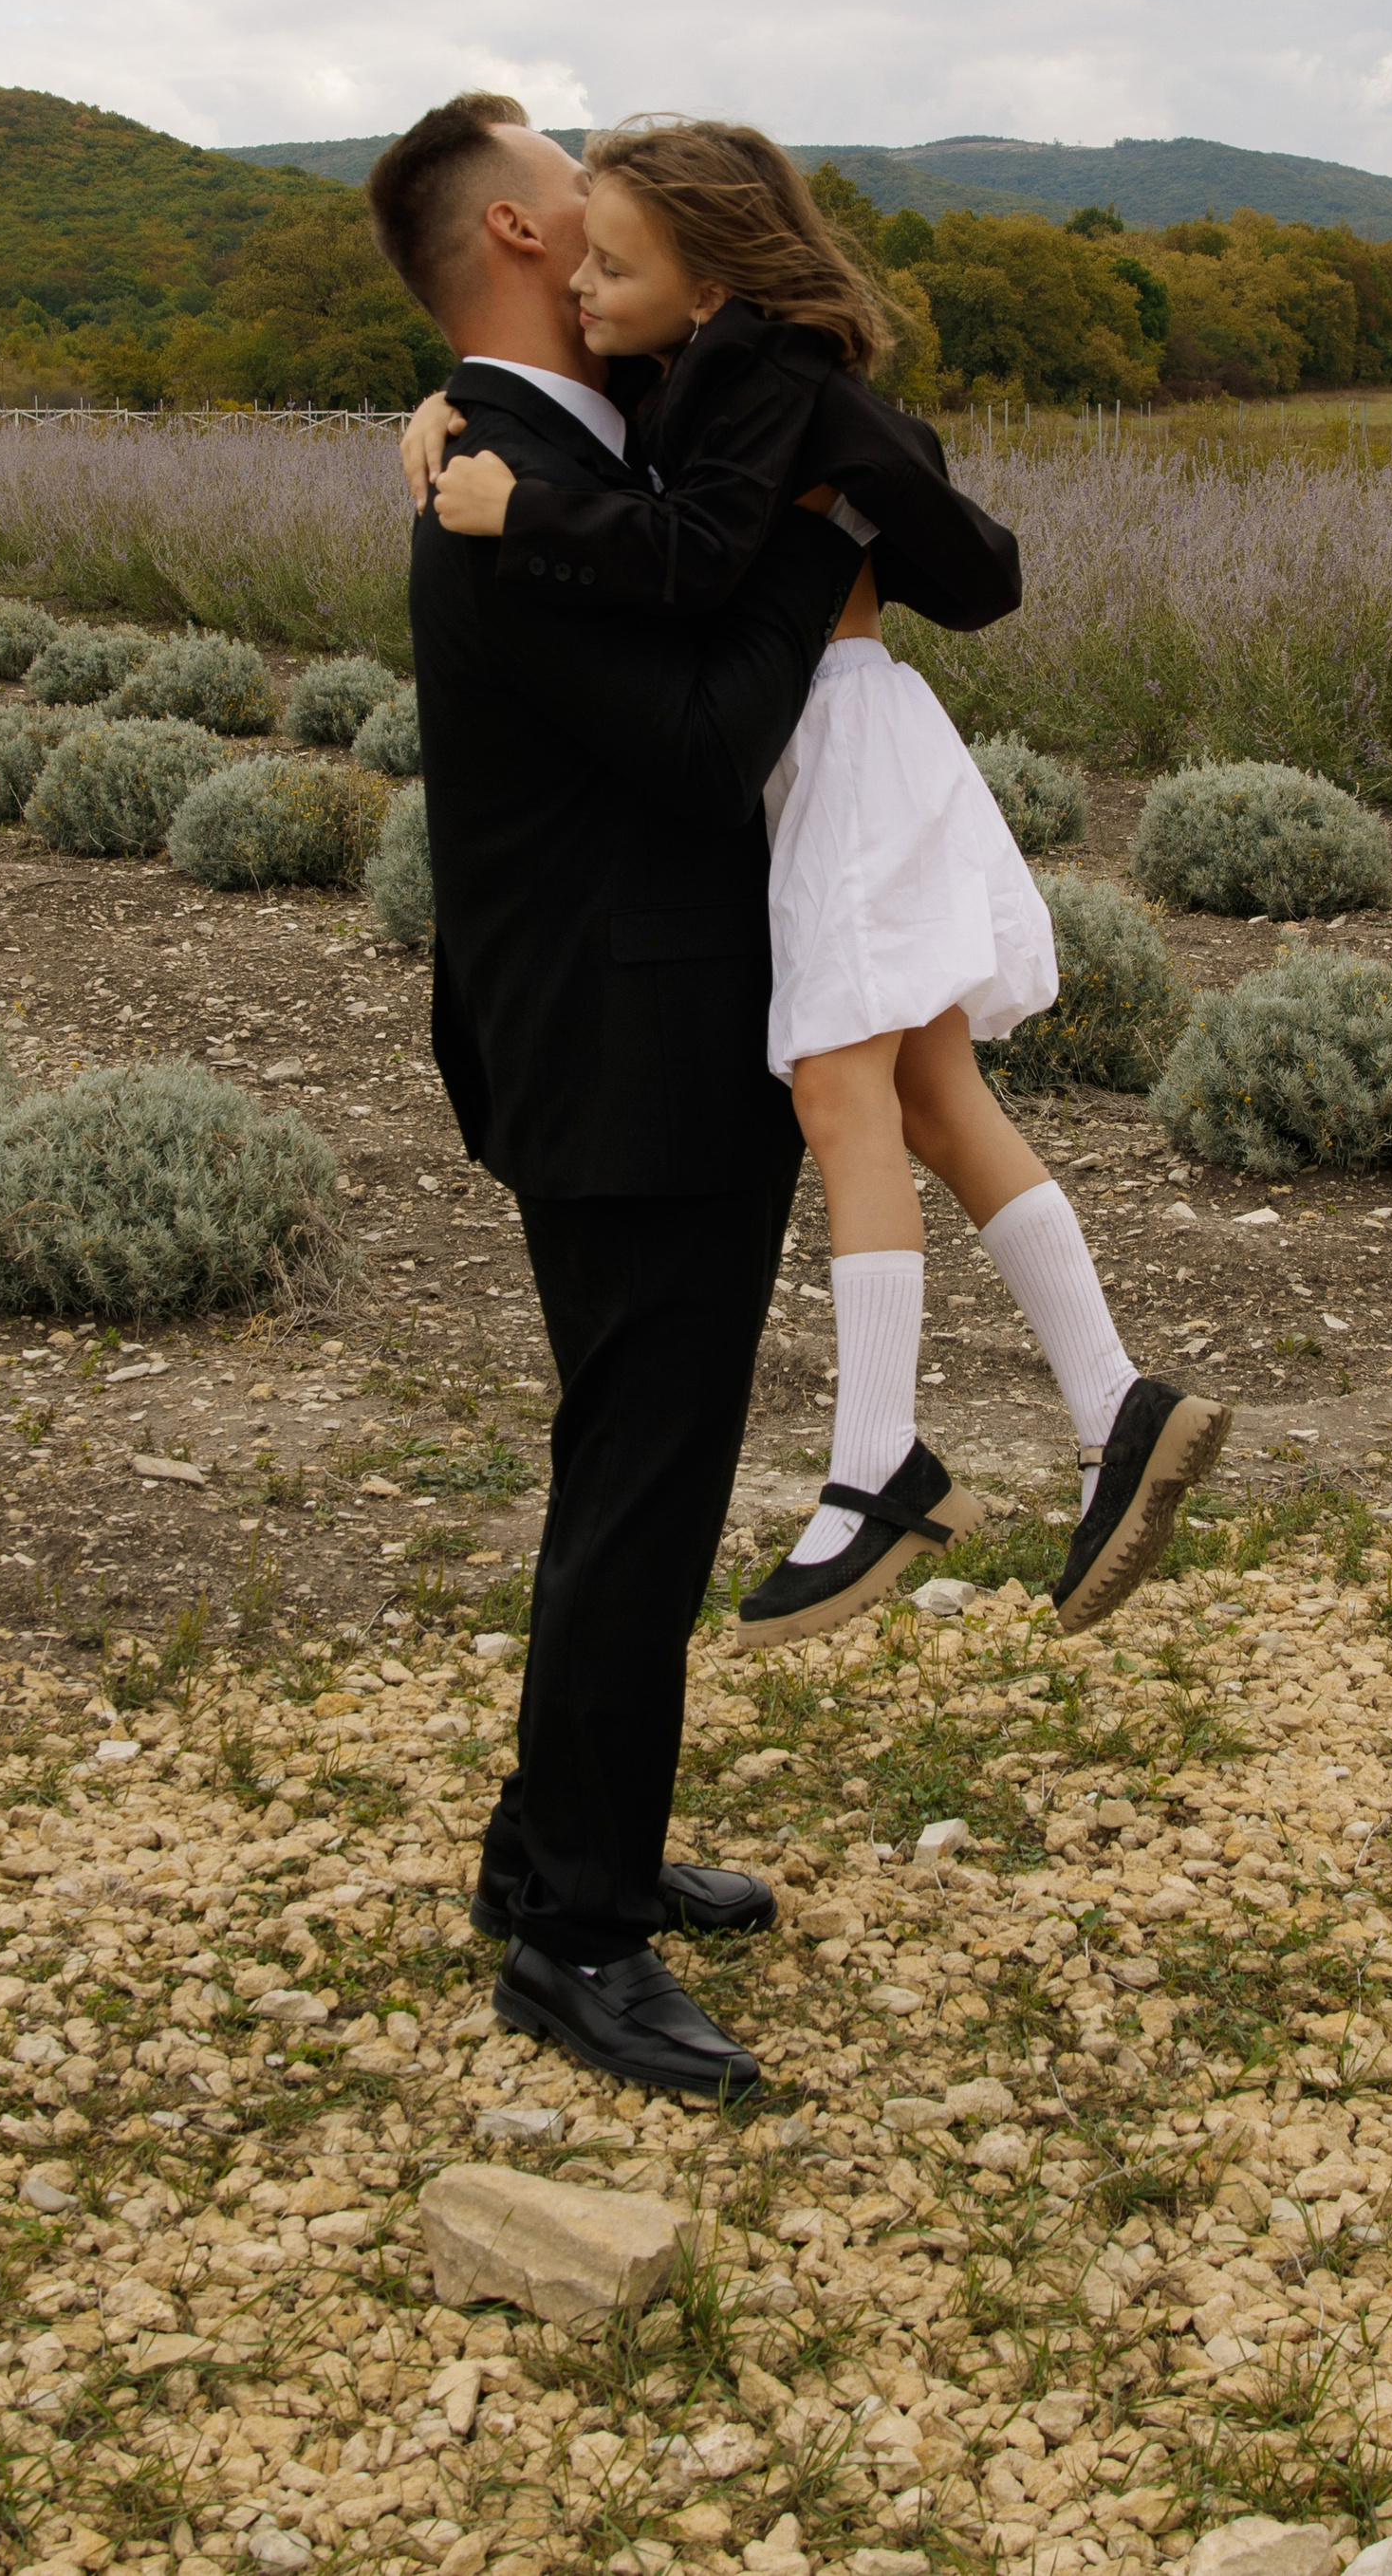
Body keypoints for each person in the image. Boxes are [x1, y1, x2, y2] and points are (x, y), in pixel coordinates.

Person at [404, 115, 1229, 1652]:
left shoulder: (775, 376)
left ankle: (876, 1469)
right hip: (836, 749)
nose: (587, 281)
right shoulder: (708, 366)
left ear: (712, 274)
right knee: (933, 1095)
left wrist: (530, 508)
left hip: (840, 745)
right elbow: (612, 417)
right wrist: (453, 395)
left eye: (618, 260)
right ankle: (1118, 1402)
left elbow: (706, 549)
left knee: (841, 1098)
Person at [367, 91, 865, 2104]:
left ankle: (551, 1846)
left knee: (628, 1466)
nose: (601, 206)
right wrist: (815, 567)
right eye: (569, 181)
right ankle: (572, 1935)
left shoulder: (557, 442)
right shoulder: (499, 473)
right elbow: (693, 742)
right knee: (642, 1489)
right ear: (511, 229)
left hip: (617, 1029)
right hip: (625, 1050)